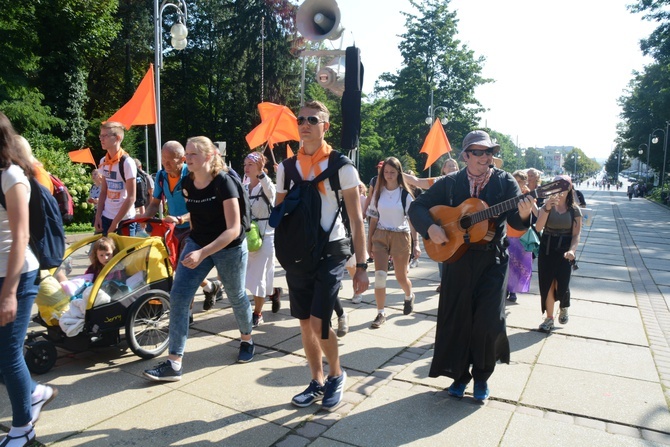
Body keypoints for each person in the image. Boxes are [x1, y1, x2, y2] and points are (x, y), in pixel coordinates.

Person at [408, 130, 533, 401]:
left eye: (489, 152)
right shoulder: (450, 182)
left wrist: (524, 213)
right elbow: (417, 207)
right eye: (479, 152)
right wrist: (430, 228)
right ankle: (459, 376)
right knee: (459, 320)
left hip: (493, 260)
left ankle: (482, 378)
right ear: (465, 155)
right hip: (458, 259)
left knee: (488, 322)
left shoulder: (504, 182)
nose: (486, 157)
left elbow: (516, 222)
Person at [276, 100, 369, 410]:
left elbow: (357, 220)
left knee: (318, 323)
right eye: (301, 119)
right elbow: (280, 212)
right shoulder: (286, 167)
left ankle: (336, 375)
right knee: (304, 323)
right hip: (299, 252)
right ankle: (316, 381)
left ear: (325, 126)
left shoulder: (342, 166)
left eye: (312, 119)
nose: (305, 123)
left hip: (331, 250)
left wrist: (362, 265)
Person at [143, 136, 255, 382]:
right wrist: (188, 234)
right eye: (187, 154)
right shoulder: (187, 183)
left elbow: (234, 229)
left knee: (236, 296)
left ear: (208, 156)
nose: (187, 158)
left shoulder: (224, 183)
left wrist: (203, 252)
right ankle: (174, 363)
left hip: (230, 247)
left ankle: (247, 339)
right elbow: (196, 216)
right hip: (198, 242)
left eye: (192, 154)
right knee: (180, 296)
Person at [0, 113, 57, 447]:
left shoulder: (12, 177)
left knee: (8, 352)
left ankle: (23, 429)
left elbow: (20, 237)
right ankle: (34, 392)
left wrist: (8, 293)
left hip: (18, 277)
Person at [141, 141, 223, 311]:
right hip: (172, 229)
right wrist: (143, 218)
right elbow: (155, 203)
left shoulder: (192, 175)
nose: (165, 164)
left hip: (192, 228)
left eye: (170, 160)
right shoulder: (161, 176)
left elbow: (199, 207)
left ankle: (187, 313)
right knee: (177, 267)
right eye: (163, 160)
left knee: (185, 271)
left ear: (182, 159)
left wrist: (180, 219)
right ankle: (210, 287)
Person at [366, 156, 419, 328]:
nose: (389, 175)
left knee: (400, 276)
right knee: (380, 276)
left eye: (392, 172)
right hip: (380, 235)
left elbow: (412, 222)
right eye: (386, 172)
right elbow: (373, 218)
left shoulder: (405, 195)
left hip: (401, 236)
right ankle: (381, 313)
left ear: (398, 173)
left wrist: (416, 243)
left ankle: (409, 295)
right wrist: (369, 241)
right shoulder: (378, 192)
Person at [535, 175, 582, 332]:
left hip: (564, 248)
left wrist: (572, 250)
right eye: (556, 186)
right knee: (547, 283)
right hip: (547, 246)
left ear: (569, 188)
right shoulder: (546, 206)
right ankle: (549, 319)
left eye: (563, 186)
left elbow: (576, 235)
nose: (560, 190)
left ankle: (564, 305)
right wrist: (547, 208)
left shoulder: (575, 210)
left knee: (561, 283)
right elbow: (538, 227)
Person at [242, 151, 281, 327]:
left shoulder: (267, 185)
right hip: (248, 236)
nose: (246, 168)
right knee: (253, 275)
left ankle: (257, 313)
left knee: (259, 276)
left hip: (266, 236)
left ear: (259, 167)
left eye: (250, 164)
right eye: (245, 165)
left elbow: (272, 193)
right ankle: (273, 292)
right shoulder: (243, 188)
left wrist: (262, 174)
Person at [95, 122, 137, 236]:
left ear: (117, 138)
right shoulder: (104, 161)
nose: (101, 139)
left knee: (124, 254)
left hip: (124, 220)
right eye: (100, 136)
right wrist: (98, 216)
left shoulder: (127, 162)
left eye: (105, 136)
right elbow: (103, 191)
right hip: (106, 216)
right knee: (101, 253)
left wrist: (116, 222)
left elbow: (131, 197)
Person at [506, 170, 536, 302]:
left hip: (522, 236)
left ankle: (513, 290)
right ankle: (507, 289)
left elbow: (536, 212)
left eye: (520, 181)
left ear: (525, 183)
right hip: (508, 234)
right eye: (515, 180)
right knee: (508, 265)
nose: (517, 183)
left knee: (519, 265)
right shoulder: (509, 193)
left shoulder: (528, 195)